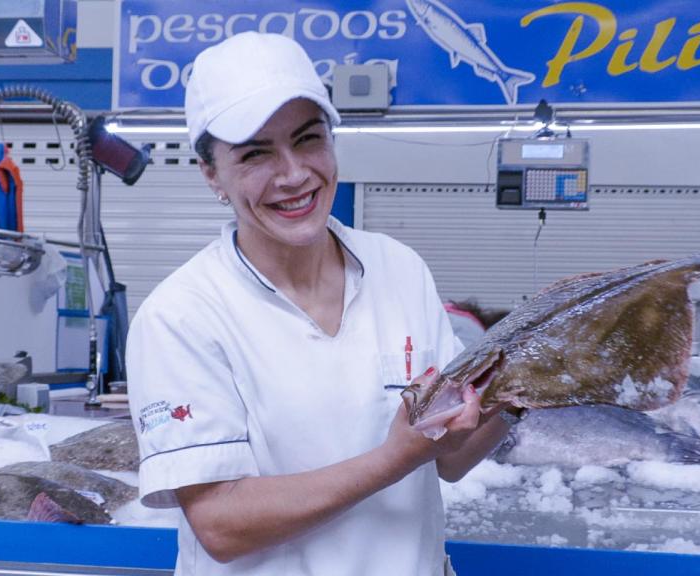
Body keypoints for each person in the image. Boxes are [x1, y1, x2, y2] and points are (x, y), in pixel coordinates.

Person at [126, 32, 519, 576]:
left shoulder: (399, 269)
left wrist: (529, 388)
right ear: (211, 174)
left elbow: (449, 459)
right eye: (255, 154)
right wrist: (391, 459)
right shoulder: (183, 315)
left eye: (309, 139)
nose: (293, 175)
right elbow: (221, 524)